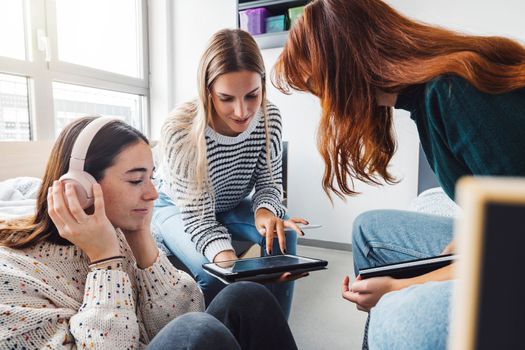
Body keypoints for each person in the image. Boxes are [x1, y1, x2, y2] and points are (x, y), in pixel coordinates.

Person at [272, 0, 525, 348]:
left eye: (321, 89)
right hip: (508, 235)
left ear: (345, 70)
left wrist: (399, 288)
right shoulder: (426, 99)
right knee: (369, 229)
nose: (325, 104)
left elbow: (511, 248)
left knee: (396, 315)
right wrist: (437, 263)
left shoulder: (455, 93)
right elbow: (490, 218)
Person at [0, 116, 298, 350]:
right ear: (80, 188)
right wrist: (105, 262)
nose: (153, 193)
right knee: (198, 330)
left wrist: (141, 238)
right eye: (135, 180)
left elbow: (183, 313)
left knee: (246, 296)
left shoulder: (117, 235)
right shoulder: (14, 277)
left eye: (151, 178)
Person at [152, 28, 307, 318]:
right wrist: (230, 264)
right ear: (207, 91)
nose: (241, 111)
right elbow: (199, 218)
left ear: (263, 85)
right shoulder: (181, 129)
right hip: (179, 209)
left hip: (230, 204)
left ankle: (272, 334)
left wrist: (264, 213)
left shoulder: (268, 117)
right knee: (216, 274)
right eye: (226, 98)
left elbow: (268, 183)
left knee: (283, 233)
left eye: (252, 95)